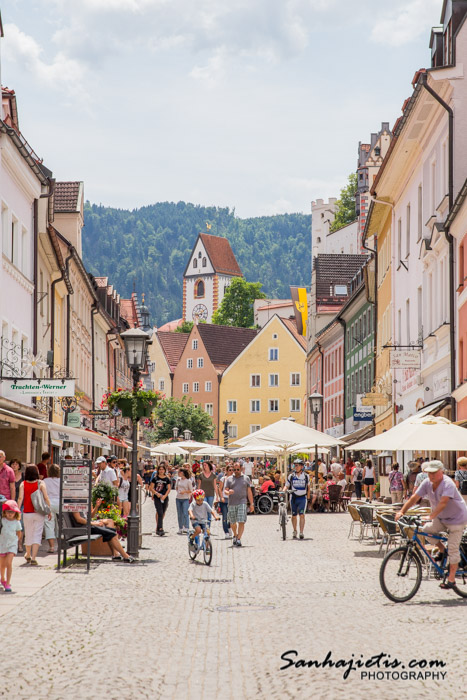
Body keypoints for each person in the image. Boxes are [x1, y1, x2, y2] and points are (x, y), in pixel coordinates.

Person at [396, 460, 467, 590]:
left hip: (457, 519)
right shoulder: (427, 483)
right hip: (441, 518)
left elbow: (443, 502)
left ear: (441, 472)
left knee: (452, 549)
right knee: (426, 530)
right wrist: (402, 511)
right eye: (429, 473)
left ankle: (451, 580)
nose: (431, 475)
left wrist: (431, 516)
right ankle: (441, 549)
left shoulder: (447, 483)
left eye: (434, 472)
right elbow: (414, 498)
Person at [17, 465, 52, 565]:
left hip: (27, 513)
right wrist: (48, 510)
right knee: (37, 534)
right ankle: (33, 557)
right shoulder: (41, 483)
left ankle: (27, 554)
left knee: (28, 534)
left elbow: (20, 498)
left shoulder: (23, 484)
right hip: (39, 513)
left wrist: (18, 510)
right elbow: (46, 498)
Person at [225, 462, 254, 547]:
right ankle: (235, 534)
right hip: (232, 503)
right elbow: (225, 491)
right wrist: (228, 492)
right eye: (234, 470)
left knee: (241, 521)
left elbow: (249, 491)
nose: (236, 471)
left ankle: (238, 539)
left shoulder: (246, 478)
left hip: (242, 502)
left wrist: (251, 504)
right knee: (233, 522)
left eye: (238, 469)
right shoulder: (229, 479)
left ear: (241, 468)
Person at [284, 459, 311, 539]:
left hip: (302, 498)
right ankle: (295, 530)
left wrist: (308, 498)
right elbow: (287, 485)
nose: (295, 467)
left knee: (302, 515)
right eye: (294, 465)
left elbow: (308, 487)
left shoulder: (306, 476)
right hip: (293, 497)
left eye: (297, 465)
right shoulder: (291, 476)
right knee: (294, 515)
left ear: (301, 466)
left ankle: (301, 532)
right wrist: (283, 491)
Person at [0, 500, 22, 592]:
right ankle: (3, 578)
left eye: (12, 512)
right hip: (2, 544)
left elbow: (19, 533)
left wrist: (16, 541)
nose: (10, 514)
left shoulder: (17, 522)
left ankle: (8, 583)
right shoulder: (2, 521)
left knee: (9, 563)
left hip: (12, 545)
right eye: (8, 511)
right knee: (2, 564)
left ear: (15, 512)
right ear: (4, 512)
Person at [43, 463, 61, 553]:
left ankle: (51, 547)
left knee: (49, 525)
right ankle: (60, 546)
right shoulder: (62, 481)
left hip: (48, 503)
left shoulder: (45, 481)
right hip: (59, 503)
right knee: (59, 525)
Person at [150, 464, 171, 536]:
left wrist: (165, 496)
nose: (161, 471)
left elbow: (169, 488)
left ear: (165, 470)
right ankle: (160, 528)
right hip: (157, 497)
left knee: (163, 511)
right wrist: (156, 493)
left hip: (164, 497)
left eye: (163, 469)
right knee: (160, 512)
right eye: (160, 469)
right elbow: (151, 488)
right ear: (158, 470)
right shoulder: (155, 479)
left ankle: (158, 527)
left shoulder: (167, 479)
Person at [175, 466, 193, 534]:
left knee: (185, 513)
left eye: (179, 472)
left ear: (183, 473)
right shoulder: (178, 479)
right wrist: (178, 491)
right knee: (179, 514)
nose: (178, 473)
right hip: (178, 498)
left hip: (185, 498)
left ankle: (186, 527)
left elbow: (191, 490)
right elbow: (176, 487)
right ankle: (180, 527)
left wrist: (184, 491)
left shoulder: (188, 481)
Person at [218, 464, 234, 539]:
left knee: (231, 516)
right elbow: (220, 489)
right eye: (230, 470)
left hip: (232, 500)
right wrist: (221, 497)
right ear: (227, 471)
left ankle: (229, 527)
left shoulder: (234, 479)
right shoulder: (223, 479)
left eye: (232, 470)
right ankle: (226, 532)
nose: (231, 471)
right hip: (224, 499)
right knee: (225, 516)